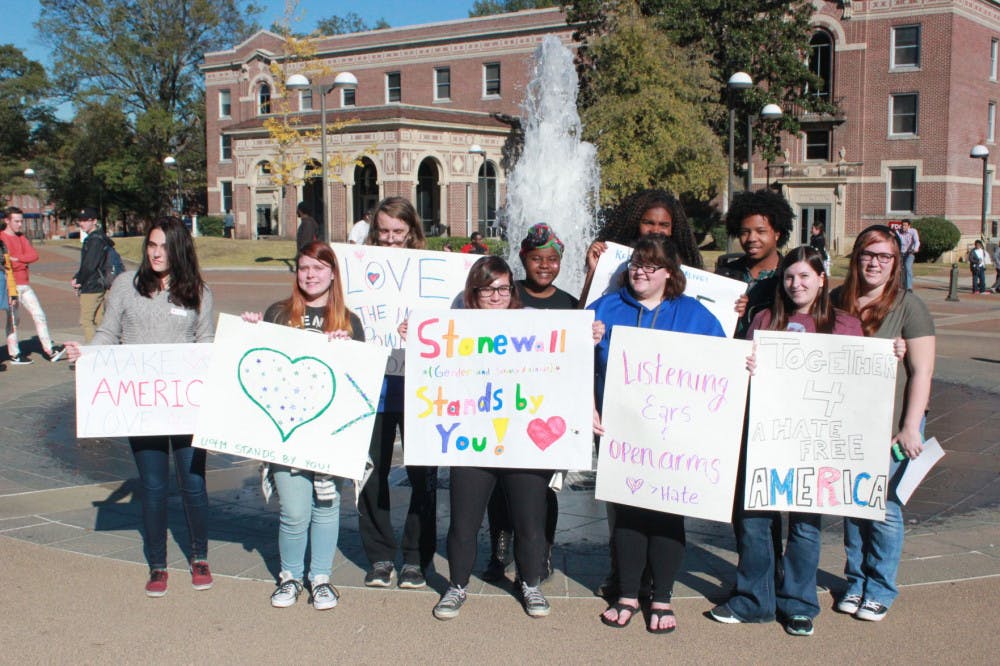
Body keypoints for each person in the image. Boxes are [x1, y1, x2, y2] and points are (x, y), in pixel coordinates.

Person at [710, 246, 863, 637]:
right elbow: (737, 368)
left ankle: (798, 604)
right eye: (790, 277)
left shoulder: (844, 325)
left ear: (822, 279)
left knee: (805, 526)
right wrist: (743, 362)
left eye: (805, 277)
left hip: (814, 441)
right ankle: (754, 599)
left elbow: (860, 381)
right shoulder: (764, 318)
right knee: (755, 521)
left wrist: (890, 354)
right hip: (763, 434)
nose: (796, 284)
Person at [64, 217, 215, 597]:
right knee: (153, 486)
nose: (156, 252)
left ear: (179, 248)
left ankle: (199, 556)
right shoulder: (125, 286)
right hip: (141, 402)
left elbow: (205, 341)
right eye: (151, 245)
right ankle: (158, 565)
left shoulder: (197, 291)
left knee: (193, 484)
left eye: (164, 246)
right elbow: (108, 333)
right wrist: (86, 354)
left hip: (185, 404)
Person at [589, 235, 724, 634]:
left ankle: (662, 596)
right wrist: (588, 396)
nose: (639, 271)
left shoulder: (694, 315)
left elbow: (722, 364)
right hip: (619, 428)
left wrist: (745, 361)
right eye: (635, 263)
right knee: (627, 513)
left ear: (669, 272)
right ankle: (628, 593)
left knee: (667, 512)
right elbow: (573, 360)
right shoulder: (606, 308)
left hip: (673, 435)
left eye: (650, 265)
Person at [428, 256, 560, 620]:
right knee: (464, 521)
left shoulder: (533, 323)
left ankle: (529, 583)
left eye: (503, 288)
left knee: (529, 521)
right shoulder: (454, 326)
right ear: (474, 291)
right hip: (472, 438)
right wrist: (417, 337)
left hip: (523, 438)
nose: (496, 295)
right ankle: (456, 586)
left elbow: (564, 359)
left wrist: (588, 338)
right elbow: (433, 368)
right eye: (488, 288)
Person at [241, 241, 364, 610]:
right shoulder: (278, 313)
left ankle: (321, 578)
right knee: (294, 510)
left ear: (332, 273)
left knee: (326, 504)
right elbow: (258, 366)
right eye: (303, 267)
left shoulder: (349, 320)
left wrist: (350, 348)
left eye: (318, 268)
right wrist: (249, 334)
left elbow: (361, 382)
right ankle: (290, 576)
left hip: (329, 434)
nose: (310, 274)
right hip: (287, 433)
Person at [832, 224, 935, 622]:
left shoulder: (909, 306)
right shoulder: (838, 300)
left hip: (892, 423)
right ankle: (855, 581)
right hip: (847, 423)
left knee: (884, 506)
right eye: (868, 255)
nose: (875, 263)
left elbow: (922, 371)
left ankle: (880, 587)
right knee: (852, 502)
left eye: (884, 257)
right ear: (856, 258)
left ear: (896, 263)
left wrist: (911, 427)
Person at [480, 223, 576, 584]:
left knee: (543, 488)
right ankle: (499, 549)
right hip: (501, 405)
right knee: (499, 485)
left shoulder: (568, 303)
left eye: (552, 260)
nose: (545, 266)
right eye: (537, 259)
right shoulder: (507, 293)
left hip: (546, 412)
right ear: (523, 259)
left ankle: (541, 551)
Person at [359, 196, 436, 590]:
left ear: (412, 234)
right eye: (383, 233)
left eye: (398, 234)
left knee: (423, 474)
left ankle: (415, 558)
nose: (390, 241)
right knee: (372, 472)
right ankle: (379, 555)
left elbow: (449, 322)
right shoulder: (357, 268)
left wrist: (423, 328)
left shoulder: (431, 271)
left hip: (418, 384)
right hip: (372, 385)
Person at [581, 189, 703, 304]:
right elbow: (586, 312)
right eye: (648, 223)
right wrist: (593, 271)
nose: (655, 230)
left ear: (673, 229)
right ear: (634, 223)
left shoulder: (687, 267)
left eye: (664, 225)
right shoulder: (612, 257)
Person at [715, 189, 795, 339]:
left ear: (777, 233)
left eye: (761, 231)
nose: (752, 238)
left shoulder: (789, 277)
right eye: (745, 232)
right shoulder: (725, 274)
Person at [2, 206, 63, 363]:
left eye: (21, 221)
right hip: (11, 285)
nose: (20, 225)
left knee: (39, 315)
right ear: (7, 221)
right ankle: (14, 353)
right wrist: (18, 262)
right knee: (14, 320)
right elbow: (6, 264)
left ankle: (49, 350)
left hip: (25, 284)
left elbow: (33, 255)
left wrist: (18, 260)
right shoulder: (2, 238)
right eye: (16, 221)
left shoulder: (21, 237)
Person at [71, 207, 110, 342]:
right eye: (80, 220)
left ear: (94, 221)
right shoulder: (100, 238)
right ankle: (105, 348)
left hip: (92, 285)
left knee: (86, 321)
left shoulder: (94, 240)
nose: (82, 223)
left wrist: (78, 280)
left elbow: (89, 265)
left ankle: (93, 352)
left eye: (85, 220)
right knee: (99, 320)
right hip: (100, 283)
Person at [897, 219, 920, 291]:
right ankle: (899, 285)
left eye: (905, 225)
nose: (903, 227)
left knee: (907, 267)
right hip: (900, 252)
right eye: (902, 225)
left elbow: (917, 241)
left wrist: (915, 249)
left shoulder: (913, 231)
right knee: (898, 269)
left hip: (910, 252)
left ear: (909, 226)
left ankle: (909, 287)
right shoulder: (898, 232)